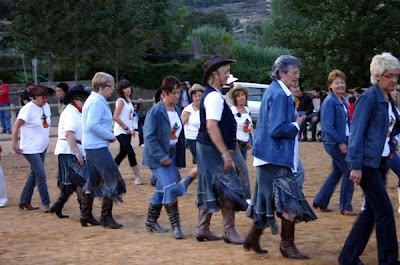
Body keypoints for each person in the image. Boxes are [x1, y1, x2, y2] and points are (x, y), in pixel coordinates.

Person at [243, 55, 317, 259]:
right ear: (281, 73)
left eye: (297, 73)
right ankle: (286, 245)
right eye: (294, 73)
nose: (297, 77)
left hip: (269, 156)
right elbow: (277, 129)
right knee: (289, 200)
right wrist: (296, 124)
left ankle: (253, 237)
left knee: (268, 199)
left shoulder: (276, 91)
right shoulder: (279, 94)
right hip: (275, 157)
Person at [338, 52, 400, 265]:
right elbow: (356, 134)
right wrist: (355, 166)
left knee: (371, 212)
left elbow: (391, 127)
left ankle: (348, 258)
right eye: (389, 75)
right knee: (384, 212)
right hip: (366, 164)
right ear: (378, 75)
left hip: (379, 162)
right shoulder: (369, 98)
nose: (393, 80)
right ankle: (389, 260)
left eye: (396, 75)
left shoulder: (387, 98)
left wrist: (391, 146)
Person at [196, 55, 247, 244]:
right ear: (215, 75)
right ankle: (229, 231)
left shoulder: (214, 95)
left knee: (208, 185)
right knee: (229, 187)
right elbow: (211, 126)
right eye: (226, 72)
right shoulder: (213, 97)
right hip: (212, 149)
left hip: (208, 148)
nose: (228, 75)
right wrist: (225, 153)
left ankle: (203, 228)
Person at [143, 76, 188, 239]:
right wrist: (162, 156)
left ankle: (151, 220)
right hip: (158, 158)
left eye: (178, 93)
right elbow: (149, 137)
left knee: (161, 189)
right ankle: (176, 226)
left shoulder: (177, 110)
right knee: (170, 188)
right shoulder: (155, 112)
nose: (176, 96)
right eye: (173, 93)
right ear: (164, 93)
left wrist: (179, 160)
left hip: (173, 154)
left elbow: (180, 137)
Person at [82, 72, 126, 229]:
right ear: (101, 86)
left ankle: (85, 214)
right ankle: (105, 217)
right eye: (110, 86)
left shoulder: (95, 100)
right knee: (112, 179)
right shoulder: (96, 102)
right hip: (96, 146)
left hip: (93, 145)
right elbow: (92, 125)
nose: (112, 89)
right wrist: (110, 136)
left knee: (93, 180)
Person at [50, 85, 99, 224]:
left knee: (71, 183)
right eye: (82, 98)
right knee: (82, 181)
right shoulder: (71, 113)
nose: (85, 101)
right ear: (75, 99)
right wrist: (77, 153)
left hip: (71, 149)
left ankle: (58, 206)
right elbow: (69, 134)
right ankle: (86, 214)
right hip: (69, 150)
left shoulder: (78, 112)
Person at [313, 70, 355, 216]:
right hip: (334, 143)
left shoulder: (343, 100)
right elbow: (328, 126)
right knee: (349, 171)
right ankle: (346, 206)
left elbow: (347, 123)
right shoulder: (330, 102)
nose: (340, 85)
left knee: (337, 172)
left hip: (344, 140)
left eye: (342, 82)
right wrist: (340, 143)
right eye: (337, 83)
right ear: (330, 85)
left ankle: (321, 201)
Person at [12, 85, 54, 212]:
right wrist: (14, 143)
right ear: (35, 97)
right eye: (42, 97)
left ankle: (24, 200)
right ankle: (46, 203)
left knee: (34, 174)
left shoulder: (46, 107)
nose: (45, 100)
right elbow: (16, 126)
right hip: (30, 148)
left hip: (42, 146)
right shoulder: (28, 109)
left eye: (46, 97)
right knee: (41, 173)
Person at [227, 84, 254, 200]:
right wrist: (232, 142)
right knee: (243, 169)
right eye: (238, 96)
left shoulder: (247, 110)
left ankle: (235, 194)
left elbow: (249, 127)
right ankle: (247, 197)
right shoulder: (232, 111)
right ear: (235, 99)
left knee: (239, 170)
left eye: (243, 95)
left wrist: (250, 140)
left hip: (244, 144)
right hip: (235, 145)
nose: (241, 98)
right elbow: (228, 128)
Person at [113, 79, 142, 185]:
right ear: (121, 90)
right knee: (130, 152)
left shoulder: (129, 100)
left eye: (129, 87)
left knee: (122, 153)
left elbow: (129, 117)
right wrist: (126, 128)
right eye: (125, 88)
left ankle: (110, 173)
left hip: (128, 131)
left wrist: (132, 129)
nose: (128, 89)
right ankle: (137, 176)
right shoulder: (121, 101)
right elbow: (115, 117)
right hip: (121, 131)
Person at [181, 84, 205, 191]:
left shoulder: (205, 108)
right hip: (192, 139)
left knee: (199, 163)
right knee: (203, 162)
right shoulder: (188, 110)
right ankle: (186, 182)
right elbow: (180, 125)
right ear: (192, 97)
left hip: (203, 139)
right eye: (195, 96)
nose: (198, 98)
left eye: (200, 95)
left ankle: (199, 184)